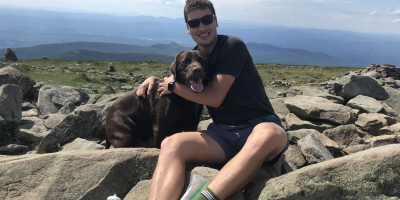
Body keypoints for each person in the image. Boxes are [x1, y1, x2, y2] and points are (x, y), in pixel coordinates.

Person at [136, 0, 288, 199]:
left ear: (215, 21)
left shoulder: (232, 46)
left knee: (267, 134)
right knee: (172, 144)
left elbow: (214, 98)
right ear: (188, 29)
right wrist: (154, 80)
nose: (202, 27)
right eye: (194, 23)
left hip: (260, 126)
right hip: (223, 134)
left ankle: (203, 198)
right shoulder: (194, 56)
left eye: (207, 19)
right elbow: (173, 77)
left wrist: (172, 86)